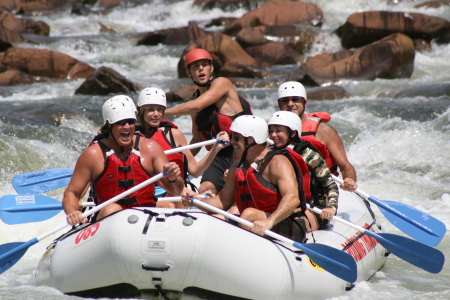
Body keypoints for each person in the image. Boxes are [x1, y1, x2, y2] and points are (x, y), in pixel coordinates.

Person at [63, 95, 184, 226]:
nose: (127, 127)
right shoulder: (93, 154)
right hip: (108, 220)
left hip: (145, 214)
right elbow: (72, 193)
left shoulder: (150, 148)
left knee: (170, 206)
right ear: (109, 125)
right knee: (112, 208)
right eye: (121, 123)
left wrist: (173, 178)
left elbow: (176, 190)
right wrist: (73, 212)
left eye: (131, 122)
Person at [182, 115, 307, 241]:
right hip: (252, 222)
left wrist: (269, 221)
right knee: (218, 219)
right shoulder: (236, 167)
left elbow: (293, 198)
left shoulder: (277, 162)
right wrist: (196, 201)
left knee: (249, 214)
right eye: (232, 137)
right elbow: (223, 201)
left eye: (237, 138)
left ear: (253, 139)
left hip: (286, 224)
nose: (232, 142)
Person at [164, 48, 253, 194]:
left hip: (241, 150)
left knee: (236, 191)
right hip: (218, 154)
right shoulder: (194, 101)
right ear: (188, 72)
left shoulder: (222, 83)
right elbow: (198, 139)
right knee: (205, 189)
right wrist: (180, 160)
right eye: (195, 66)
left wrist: (162, 113)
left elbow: (198, 105)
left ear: (211, 68)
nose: (200, 69)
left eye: (204, 65)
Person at [135, 87, 230, 203]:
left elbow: (195, 171)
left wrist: (216, 149)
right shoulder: (132, 137)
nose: (156, 114)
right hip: (145, 193)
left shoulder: (175, 135)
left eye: (160, 110)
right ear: (141, 111)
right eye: (151, 110)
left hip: (175, 191)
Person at [277, 81, 358, 191]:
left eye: (296, 99)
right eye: (285, 100)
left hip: (320, 191)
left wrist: (349, 180)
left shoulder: (323, 131)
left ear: (305, 103)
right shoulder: (273, 133)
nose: (290, 104)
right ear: (279, 104)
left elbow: (345, 166)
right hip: (287, 189)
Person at [268, 111, 338, 231]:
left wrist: (331, 207)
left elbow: (330, 185)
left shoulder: (308, 154)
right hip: (283, 207)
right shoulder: (269, 153)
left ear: (293, 132)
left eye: (278, 131)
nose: (273, 135)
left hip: (312, 208)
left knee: (287, 226)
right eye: (271, 131)